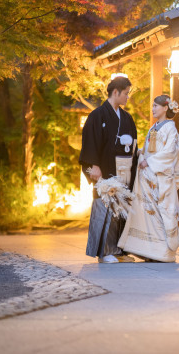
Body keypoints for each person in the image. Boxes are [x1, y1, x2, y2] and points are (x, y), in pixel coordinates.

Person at [118, 94, 179, 262]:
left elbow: (169, 152)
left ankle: (163, 252)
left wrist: (149, 162)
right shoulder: (154, 127)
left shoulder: (170, 128)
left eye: (156, 106)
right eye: (153, 106)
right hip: (149, 176)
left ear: (165, 108)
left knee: (159, 213)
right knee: (148, 213)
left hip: (159, 177)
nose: (153, 109)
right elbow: (149, 150)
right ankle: (150, 251)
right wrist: (141, 154)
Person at [79, 75, 138, 264]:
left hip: (123, 171)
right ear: (116, 92)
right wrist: (93, 165)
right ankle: (104, 252)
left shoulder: (127, 118)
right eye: (126, 93)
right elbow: (90, 143)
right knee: (105, 208)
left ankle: (118, 250)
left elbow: (134, 146)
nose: (128, 97)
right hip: (104, 169)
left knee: (121, 210)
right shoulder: (97, 115)